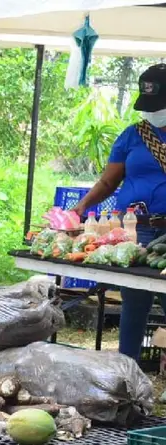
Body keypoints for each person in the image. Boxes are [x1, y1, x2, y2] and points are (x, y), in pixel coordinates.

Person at [71, 64, 166, 361]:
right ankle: (127, 373)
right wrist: (82, 206)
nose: (152, 112)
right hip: (134, 231)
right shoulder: (133, 135)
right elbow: (108, 181)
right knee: (134, 304)